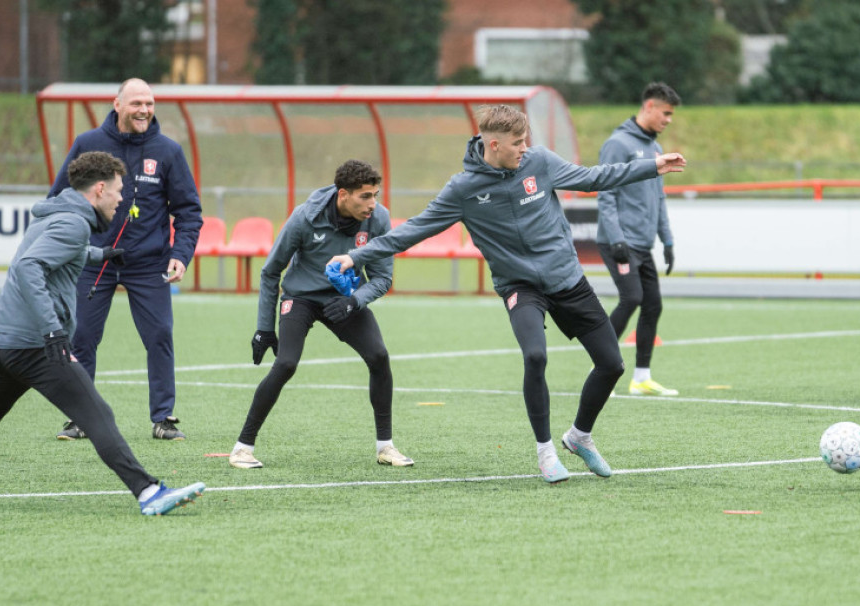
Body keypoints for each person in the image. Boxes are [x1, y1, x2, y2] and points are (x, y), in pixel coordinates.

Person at [329, 105, 687, 483]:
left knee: (612, 364)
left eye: (526, 140)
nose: (524, 148)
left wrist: (653, 166)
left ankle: (579, 437)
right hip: (521, 287)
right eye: (517, 143)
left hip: (567, 279)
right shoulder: (463, 189)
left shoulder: (541, 163)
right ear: (494, 144)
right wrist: (356, 256)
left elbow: (594, 177)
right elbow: (412, 230)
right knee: (535, 356)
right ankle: (546, 452)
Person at [0, 152, 205, 515]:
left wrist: (102, 255)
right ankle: (148, 493)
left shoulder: (55, 215)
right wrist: (52, 331)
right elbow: (30, 266)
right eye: (116, 191)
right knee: (97, 414)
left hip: (0, 341)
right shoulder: (74, 223)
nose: (120, 199)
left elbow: (58, 250)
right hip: (33, 343)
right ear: (98, 189)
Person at [48, 78, 203, 441]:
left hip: (149, 265)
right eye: (136, 103)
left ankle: (163, 418)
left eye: (149, 103)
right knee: (81, 336)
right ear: (117, 105)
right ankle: (79, 418)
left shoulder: (168, 151)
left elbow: (189, 211)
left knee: (160, 335)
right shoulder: (88, 145)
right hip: (93, 261)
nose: (145, 110)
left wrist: (181, 255)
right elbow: (59, 198)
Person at [232, 160, 412, 469]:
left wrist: (354, 301)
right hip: (301, 298)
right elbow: (270, 272)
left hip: (344, 300)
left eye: (375, 195)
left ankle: (385, 447)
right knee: (286, 363)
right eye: (365, 196)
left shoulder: (379, 219)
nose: (373, 204)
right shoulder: (305, 217)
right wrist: (264, 328)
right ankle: (242, 448)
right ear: (343, 194)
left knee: (379, 357)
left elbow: (383, 278)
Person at [597, 82, 682, 396]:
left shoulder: (655, 149)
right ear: (649, 107)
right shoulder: (617, 144)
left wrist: (668, 241)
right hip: (618, 241)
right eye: (666, 113)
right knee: (632, 297)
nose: (669, 119)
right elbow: (605, 194)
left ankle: (641, 378)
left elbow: (658, 198)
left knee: (653, 306)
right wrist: (616, 238)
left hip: (643, 243)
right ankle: (601, 363)